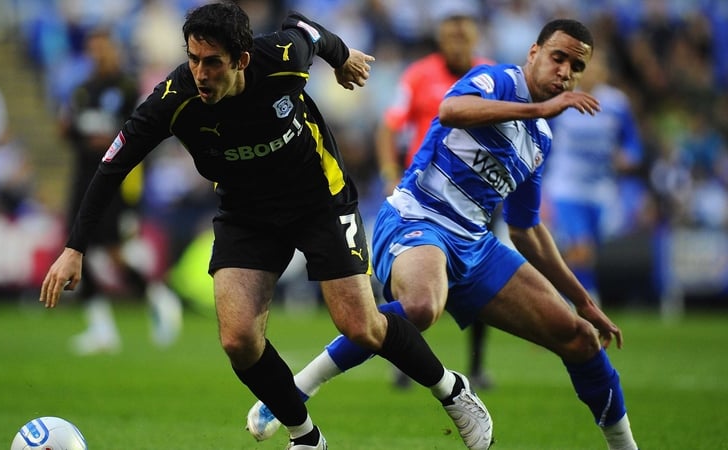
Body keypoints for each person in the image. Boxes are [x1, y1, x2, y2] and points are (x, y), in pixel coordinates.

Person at [40, 3, 493, 450]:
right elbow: (113, 165)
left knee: (361, 327)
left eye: (212, 63)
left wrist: (341, 58)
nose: (200, 73)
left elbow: (306, 29)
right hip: (246, 213)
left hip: (319, 199)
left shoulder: (280, 59)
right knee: (238, 339)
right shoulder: (172, 99)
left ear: (241, 60)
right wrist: (74, 247)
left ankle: (452, 391)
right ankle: (306, 438)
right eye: (193, 59)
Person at [247, 18, 640, 450]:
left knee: (580, 338)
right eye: (558, 57)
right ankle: (296, 389)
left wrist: (582, 301)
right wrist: (538, 109)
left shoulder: (540, 139)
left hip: (474, 243)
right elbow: (451, 111)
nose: (564, 72)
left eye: (575, 67)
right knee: (419, 306)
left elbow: (526, 228)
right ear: (533, 53)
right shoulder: (497, 79)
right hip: (417, 217)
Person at [376, 11, 495, 391]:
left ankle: (476, 366)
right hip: (423, 197)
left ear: (475, 39)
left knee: (476, 278)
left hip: (474, 196)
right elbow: (390, 125)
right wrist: (388, 173)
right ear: (441, 40)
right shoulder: (418, 75)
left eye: (464, 36)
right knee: (408, 282)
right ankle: (403, 359)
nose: (458, 43)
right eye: (450, 37)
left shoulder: (492, 78)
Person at [57, 28, 182, 355]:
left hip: (118, 180)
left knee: (113, 251)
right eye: (93, 49)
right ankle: (100, 328)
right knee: (75, 248)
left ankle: (158, 297)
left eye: (103, 48)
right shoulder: (82, 91)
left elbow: (136, 131)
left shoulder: (127, 87)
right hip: (84, 178)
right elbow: (69, 130)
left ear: (113, 49)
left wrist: (102, 137)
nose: (98, 54)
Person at [542, 48, 644, 304]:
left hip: (601, 189)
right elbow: (544, 140)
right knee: (581, 247)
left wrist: (628, 157)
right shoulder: (562, 99)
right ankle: (586, 302)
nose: (591, 73)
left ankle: (552, 296)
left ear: (606, 72)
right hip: (566, 186)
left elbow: (632, 143)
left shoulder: (617, 103)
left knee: (585, 253)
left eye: (597, 67)